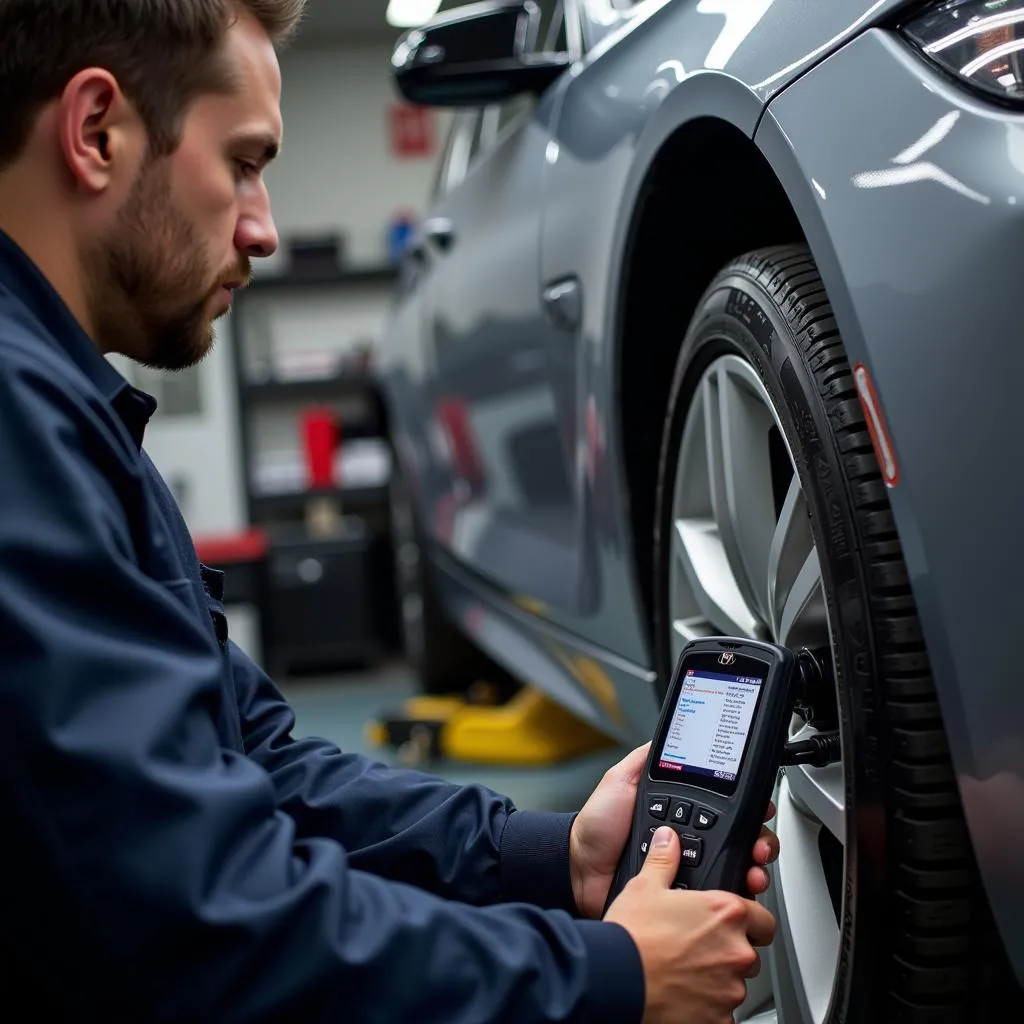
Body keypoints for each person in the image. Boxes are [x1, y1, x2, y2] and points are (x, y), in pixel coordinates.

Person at [0, 2, 780, 1021]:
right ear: (98, 130)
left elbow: (252, 764)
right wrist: (606, 977)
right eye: (243, 162)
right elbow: (199, 925)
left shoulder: (69, 414)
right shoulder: (21, 429)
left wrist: (550, 855)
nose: (264, 227)